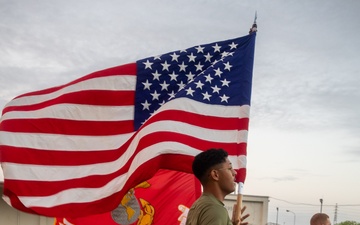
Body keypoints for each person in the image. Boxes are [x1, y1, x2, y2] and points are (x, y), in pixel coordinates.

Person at [186, 148, 250, 225]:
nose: (235, 173)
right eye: (229, 168)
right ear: (215, 175)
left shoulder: (198, 206)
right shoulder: (215, 209)